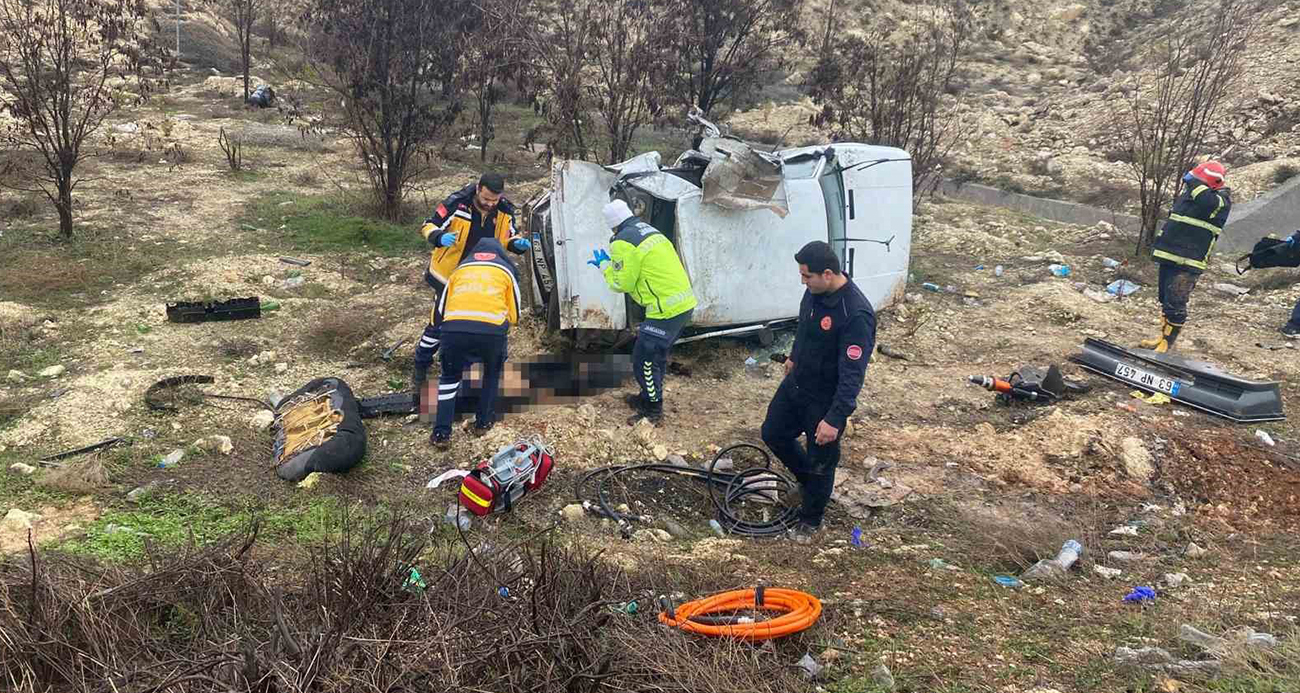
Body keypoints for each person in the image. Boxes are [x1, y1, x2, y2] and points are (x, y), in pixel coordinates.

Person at [761, 241, 876, 541]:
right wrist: (794, 356)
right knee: (773, 433)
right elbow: (804, 327)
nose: (803, 281)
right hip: (797, 383)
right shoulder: (814, 292)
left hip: (824, 399)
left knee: (821, 462)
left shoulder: (855, 314)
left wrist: (835, 418)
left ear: (827, 274)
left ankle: (811, 521)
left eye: (807, 276)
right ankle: (808, 484)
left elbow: (852, 374)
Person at [412, 173, 530, 411]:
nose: (490, 204)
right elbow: (429, 224)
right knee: (439, 322)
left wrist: (516, 244)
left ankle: (466, 371)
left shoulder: (505, 210)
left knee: (472, 322)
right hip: (450, 275)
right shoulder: (457, 203)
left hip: (483, 276)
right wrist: (438, 237)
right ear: (478, 189)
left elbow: (509, 236)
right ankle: (421, 363)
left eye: (494, 200)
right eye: (486, 199)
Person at [590, 199, 697, 424]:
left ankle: (653, 411)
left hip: (665, 310)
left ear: (612, 225)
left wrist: (604, 266)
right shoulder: (649, 230)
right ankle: (647, 397)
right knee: (655, 357)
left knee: (644, 361)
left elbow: (622, 283)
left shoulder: (622, 241)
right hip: (682, 304)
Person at [429, 237, 521, 448]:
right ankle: (483, 424)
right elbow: (515, 314)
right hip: (491, 333)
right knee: (491, 375)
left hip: (454, 331)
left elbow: (440, 310)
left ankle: (441, 434)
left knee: (449, 378)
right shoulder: (506, 271)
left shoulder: (459, 271)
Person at [1140, 160, 1232, 353]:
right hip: (1170, 255)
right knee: (1165, 299)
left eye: (1198, 181)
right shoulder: (1191, 196)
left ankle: (1168, 343)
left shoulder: (1220, 201)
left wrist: (1193, 180)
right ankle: (1162, 338)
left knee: (1176, 302)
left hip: (1189, 262)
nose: (1192, 184)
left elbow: (1205, 201)